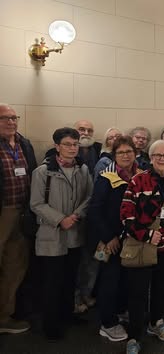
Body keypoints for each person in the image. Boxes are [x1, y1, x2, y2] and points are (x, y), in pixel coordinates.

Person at [120, 140, 164, 354]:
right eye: (157, 155)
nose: (162, 159)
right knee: (138, 293)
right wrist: (148, 235)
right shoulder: (137, 181)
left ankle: (156, 322)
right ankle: (134, 336)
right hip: (144, 247)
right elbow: (126, 216)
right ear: (150, 158)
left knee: (161, 289)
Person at [30, 127, 93, 340]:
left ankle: (68, 315)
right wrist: (60, 219)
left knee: (70, 279)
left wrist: (75, 216)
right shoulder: (42, 172)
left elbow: (90, 197)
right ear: (57, 146)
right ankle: (51, 324)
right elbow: (36, 203)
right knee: (52, 283)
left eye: (75, 144)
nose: (72, 148)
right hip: (52, 235)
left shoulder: (83, 170)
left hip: (75, 233)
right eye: (67, 144)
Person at [87, 135, 141, 342]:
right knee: (109, 280)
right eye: (121, 152)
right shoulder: (106, 177)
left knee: (125, 279)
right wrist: (109, 237)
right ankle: (107, 323)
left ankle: (119, 311)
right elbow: (95, 210)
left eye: (129, 151)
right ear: (114, 155)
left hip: (131, 239)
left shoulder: (140, 174)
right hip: (108, 240)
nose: (125, 155)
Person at [0, 103, 37, 334]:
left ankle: (4, 316)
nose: (11, 122)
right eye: (5, 118)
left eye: (14, 117)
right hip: (1, 211)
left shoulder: (25, 143)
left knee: (15, 265)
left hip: (21, 212)